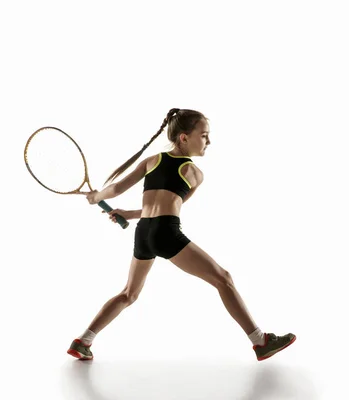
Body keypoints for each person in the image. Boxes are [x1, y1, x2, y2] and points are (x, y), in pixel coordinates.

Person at [67, 108, 296, 362]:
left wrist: (100, 198)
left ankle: (83, 341)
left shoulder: (151, 160)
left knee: (129, 294)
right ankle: (260, 342)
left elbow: (121, 189)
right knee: (224, 279)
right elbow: (171, 208)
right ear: (184, 138)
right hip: (165, 232)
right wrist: (121, 208)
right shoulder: (194, 173)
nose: (208, 141)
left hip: (144, 232)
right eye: (204, 135)